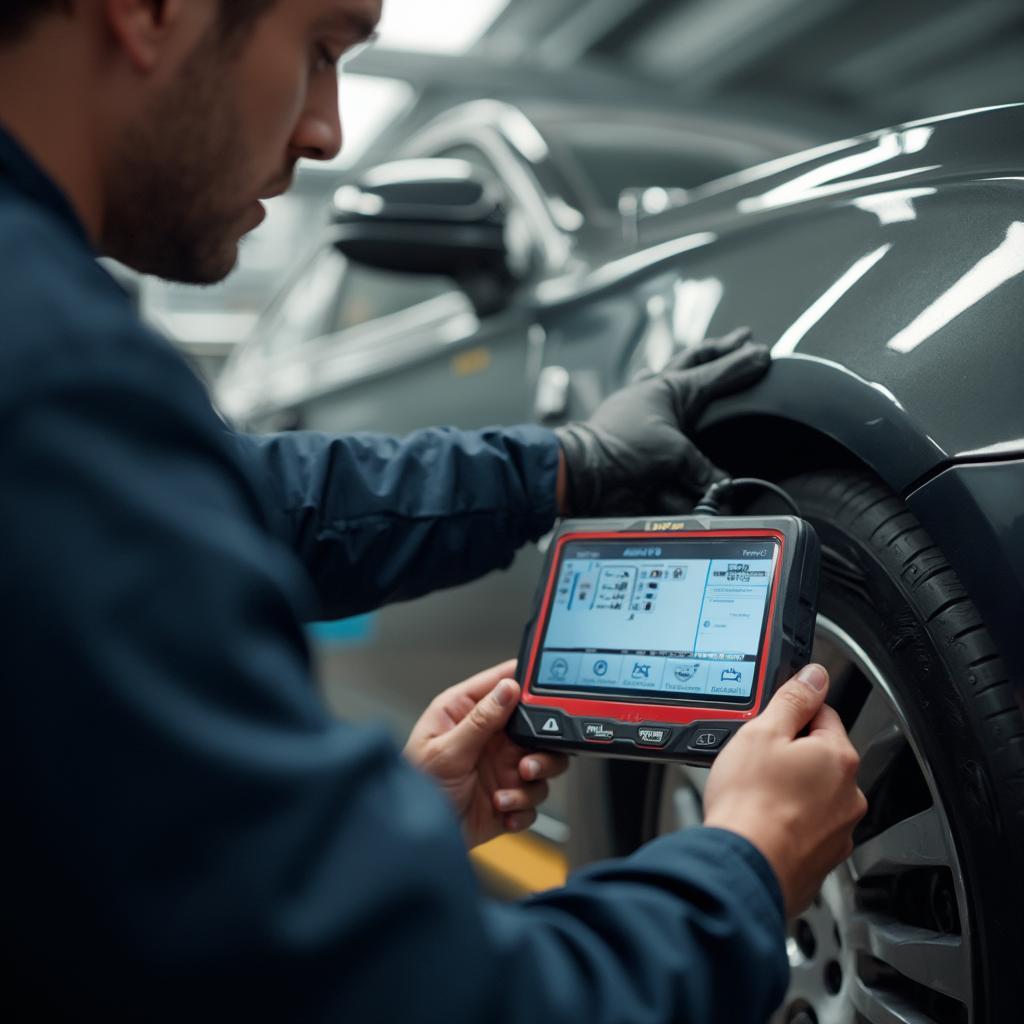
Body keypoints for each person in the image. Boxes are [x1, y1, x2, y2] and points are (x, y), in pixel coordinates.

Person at [0, 1, 867, 1021]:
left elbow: (267, 502)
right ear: (153, 11)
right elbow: (397, 995)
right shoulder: (52, 381)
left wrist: (569, 464)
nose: (325, 130)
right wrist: (744, 872)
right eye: (321, 47)